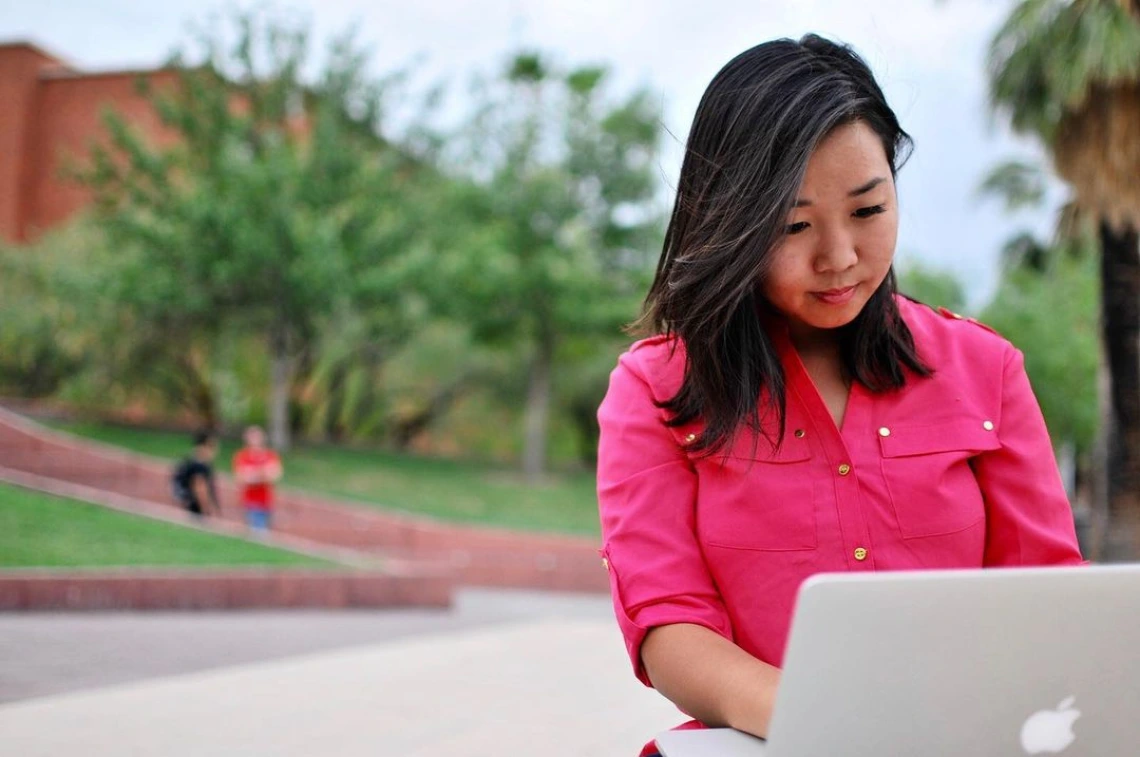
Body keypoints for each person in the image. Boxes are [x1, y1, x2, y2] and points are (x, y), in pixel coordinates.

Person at [595, 35, 1085, 757]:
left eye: (867, 210)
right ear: (728, 219)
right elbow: (672, 629)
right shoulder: (656, 391)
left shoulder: (988, 370)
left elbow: (1048, 603)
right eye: (793, 226)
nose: (839, 258)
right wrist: (830, 720)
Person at [232, 425, 282, 534]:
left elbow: (274, 475)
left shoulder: (270, 455)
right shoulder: (242, 456)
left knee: (265, 531)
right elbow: (242, 478)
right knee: (258, 532)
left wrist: (255, 474)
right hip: (251, 502)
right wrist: (262, 473)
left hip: (266, 501)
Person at [171, 430, 221, 519]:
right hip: (195, 507)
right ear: (204, 446)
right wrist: (206, 509)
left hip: (187, 502)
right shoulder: (200, 465)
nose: (215, 451)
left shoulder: (190, 460)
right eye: (213, 447)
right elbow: (199, 487)